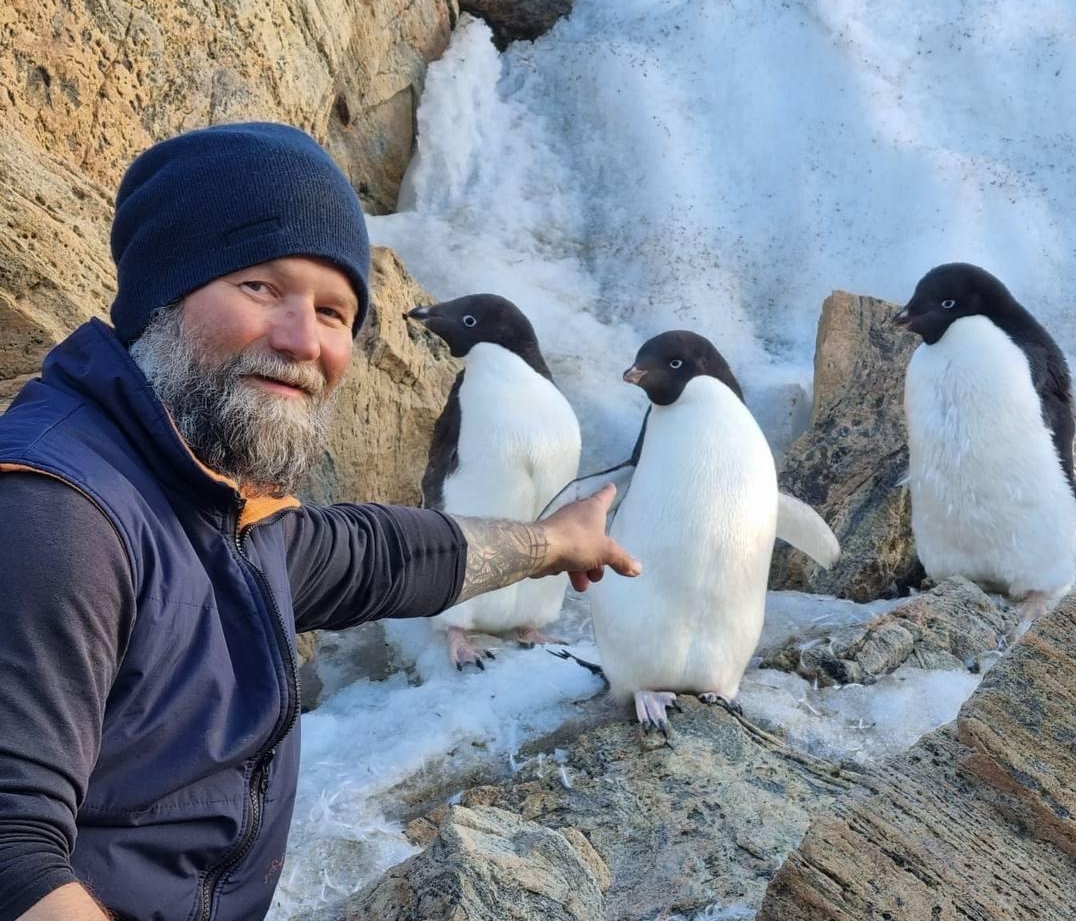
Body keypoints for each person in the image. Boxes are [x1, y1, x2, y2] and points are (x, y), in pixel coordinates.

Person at [0, 122, 640, 921]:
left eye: (334, 310)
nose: (304, 341)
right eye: (261, 288)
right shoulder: (59, 513)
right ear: (163, 295)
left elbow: (376, 555)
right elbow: (14, 857)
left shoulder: (210, 501)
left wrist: (554, 543)